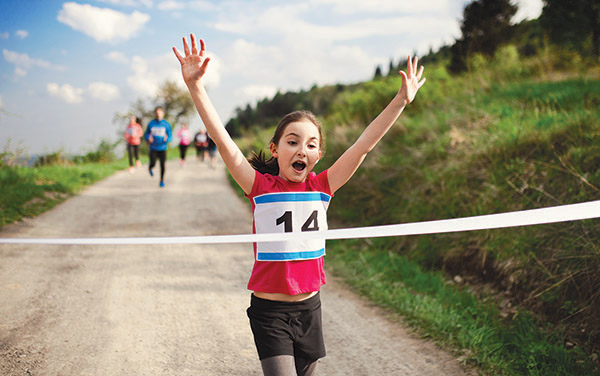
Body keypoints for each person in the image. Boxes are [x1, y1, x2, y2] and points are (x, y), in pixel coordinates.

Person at [174, 34, 425, 376]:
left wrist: (400, 101)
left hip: (310, 309)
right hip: (269, 313)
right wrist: (195, 87)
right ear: (276, 149)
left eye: (310, 144)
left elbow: (363, 146)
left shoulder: (323, 186)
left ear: (318, 155)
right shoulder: (259, 186)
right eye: (292, 142)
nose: (301, 150)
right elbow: (222, 139)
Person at [144, 106, 172, 188]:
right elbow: (146, 134)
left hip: (163, 148)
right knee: (153, 162)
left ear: (163, 113)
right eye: (157, 113)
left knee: (163, 165)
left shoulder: (166, 124)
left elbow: (170, 135)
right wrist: (148, 138)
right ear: (155, 114)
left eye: (160, 112)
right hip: (153, 147)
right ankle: (150, 167)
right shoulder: (151, 123)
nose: (158, 114)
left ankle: (162, 180)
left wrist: (167, 139)